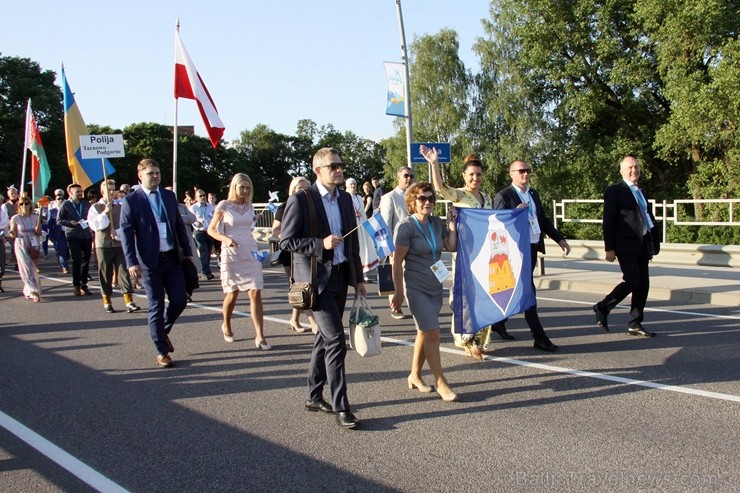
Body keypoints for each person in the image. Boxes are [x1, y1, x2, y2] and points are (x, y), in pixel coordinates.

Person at [279, 147, 366, 430]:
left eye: (340, 165)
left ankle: (313, 396)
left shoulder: (345, 199)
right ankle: (342, 406)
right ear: (318, 170)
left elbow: (352, 243)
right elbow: (286, 241)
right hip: (316, 283)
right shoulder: (302, 199)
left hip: (340, 278)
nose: (339, 170)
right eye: (333, 166)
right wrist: (320, 244)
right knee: (336, 341)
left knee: (324, 340)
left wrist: (359, 279)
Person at [421, 145, 497, 359]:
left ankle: (480, 340)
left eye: (479, 174)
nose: (475, 178)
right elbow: (439, 187)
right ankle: (466, 339)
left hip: (485, 255)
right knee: (466, 297)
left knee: (484, 297)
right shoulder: (459, 195)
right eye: (471, 174)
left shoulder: (487, 197)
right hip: (465, 255)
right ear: (464, 176)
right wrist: (434, 163)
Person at [120, 158, 194, 369]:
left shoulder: (168, 196)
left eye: (157, 173)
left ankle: (162, 332)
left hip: (172, 257)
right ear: (140, 176)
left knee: (180, 300)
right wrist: (131, 261)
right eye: (151, 173)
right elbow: (126, 233)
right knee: (156, 305)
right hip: (148, 261)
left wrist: (187, 252)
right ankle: (161, 351)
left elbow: (179, 225)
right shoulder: (132, 200)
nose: (155, 177)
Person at [491, 160, 570, 352]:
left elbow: (542, 219)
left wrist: (559, 239)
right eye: (521, 171)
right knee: (528, 293)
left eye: (528, 171)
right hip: (515, 252)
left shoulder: (533, 193)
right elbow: (497, 224)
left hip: (532, 248)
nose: (525, 174)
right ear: (511, 174)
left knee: (518, 290)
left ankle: (499, 323)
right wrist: (514, 214)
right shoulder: (504, 195)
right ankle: (539, 337)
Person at [391, 182, 459, 402]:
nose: (427, 202)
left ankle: (415, 375)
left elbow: (451, 247)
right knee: (433, 332)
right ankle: (441, 382)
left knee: (424, 332)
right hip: (416, 288)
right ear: (412, 201)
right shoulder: (406, 227)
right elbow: (396, 262)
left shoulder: (436, 223)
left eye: (430, 198)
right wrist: (398, 292)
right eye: (422, 198)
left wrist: (451, 226)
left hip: (435, 286)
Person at [593, 156, 659, 337]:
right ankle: (602, 307)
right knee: (632, 280)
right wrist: (609, 248)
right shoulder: (615, 190)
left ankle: (635, 323)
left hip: (643, 242)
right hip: (625, 244)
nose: (634, 170)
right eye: (630, 167)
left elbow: (645, 216)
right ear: (622, 171)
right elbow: (608, 221)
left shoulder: (640, 190)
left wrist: (652, 239)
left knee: (643, 284)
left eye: (637, 167)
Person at [207, 173, 270, 349]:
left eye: (247, 187)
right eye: (241, 187)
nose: (244, 190)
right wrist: (225, 239)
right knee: (232, 293)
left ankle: (260, 335)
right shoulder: (224, 205)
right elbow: (211, 230)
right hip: (231, 251)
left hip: (250, 250)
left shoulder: (249, 206)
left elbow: (250, 228)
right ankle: (226, 324)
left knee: (255, 291)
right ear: (234, 187)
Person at [271, 176, 319, 334]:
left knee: (300, 288)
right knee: (302, 288)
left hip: (310, 251)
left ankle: (294, 319)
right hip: (292, 254)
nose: (303, 191)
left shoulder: (315, 206)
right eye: (299, 188)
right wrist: (287, 236)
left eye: (306, 188)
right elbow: (276, 230)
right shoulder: (285, 207)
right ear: (292, 190)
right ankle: (315, 325)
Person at [87, 179, 141, 314]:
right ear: (102, 191)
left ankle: (129, 300)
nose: (111, 192)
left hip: (119, 243)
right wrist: (105, 212)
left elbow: (126, 225)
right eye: (109, 190)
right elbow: (95, 226)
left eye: (113, 189)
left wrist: (117, 232)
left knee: (124, 271)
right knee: (106, 272)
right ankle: (107, 300)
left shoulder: (120, 206)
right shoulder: (95, 208)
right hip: (103, 244)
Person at [380, 166, 415, 319]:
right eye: (406, 175)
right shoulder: (390, 197)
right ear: (398, 178)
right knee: (396, 277)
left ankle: (415, 304)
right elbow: (385, 224)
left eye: (412, 176)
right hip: (396, 245)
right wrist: (388, 247)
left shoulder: (415, 196)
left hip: (414, 243)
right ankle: (395, 307)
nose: (409, 178)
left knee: (412, 275)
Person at [58, 183, 93, 296]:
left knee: (86, 261)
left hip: (86, 235)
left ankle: (84, 285)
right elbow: (59, 220)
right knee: (77, 260)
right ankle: (76, 286)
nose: (80, 193)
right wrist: (70, 223)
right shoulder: (66, 205)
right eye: (77, 192)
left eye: (81, 191)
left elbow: (92, 217)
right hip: (73, 235)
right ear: (70, 193)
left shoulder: (86, 203)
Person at [8, 197, 43, 302]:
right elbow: (13, 232)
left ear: (30, 205)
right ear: (19, 206)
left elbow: (39, 233)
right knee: (25, 266)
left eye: (26, 204)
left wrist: (39, 220)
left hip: (33, 242)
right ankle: (34, 291)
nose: (24, 206)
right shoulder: (15, 218)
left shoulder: (35, 217)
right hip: (21, 243)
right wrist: (11, 233)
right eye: (22, 204)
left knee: (32, 267)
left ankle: (29, 289)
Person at [346, 178, 379, 282]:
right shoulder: (344, 197)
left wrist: (366, 225)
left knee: (363, 249)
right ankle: (352, 274)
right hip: (351, 227)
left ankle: (364, 273)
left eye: (354, 184)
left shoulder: (359, 197)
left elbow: (363, 213)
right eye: (351, 184)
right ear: (347, 185)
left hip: (360, 225)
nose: (353, 186)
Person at [189, 189, 215, 280]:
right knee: (203, 251)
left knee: (208, 253)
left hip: (209, 232)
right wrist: (195, 222)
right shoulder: (193, 208)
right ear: (196, 198)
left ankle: (205, 270)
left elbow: (214, 217)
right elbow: (190, 219)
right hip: (199, 232)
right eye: (200, 196)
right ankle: (206, 272)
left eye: (204, 195)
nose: (203, 197)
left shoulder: (211, 207)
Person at [47, 189, 70, 274]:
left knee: (68, 250)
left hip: (68, 231)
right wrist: (50, 234)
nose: (60, 200)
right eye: (58, 198)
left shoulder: (68, 208)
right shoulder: (52, 211)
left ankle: (65, 260)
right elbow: (50, 223)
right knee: (61, 249)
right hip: (58, 233)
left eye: (61, 198)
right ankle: (64, 266)